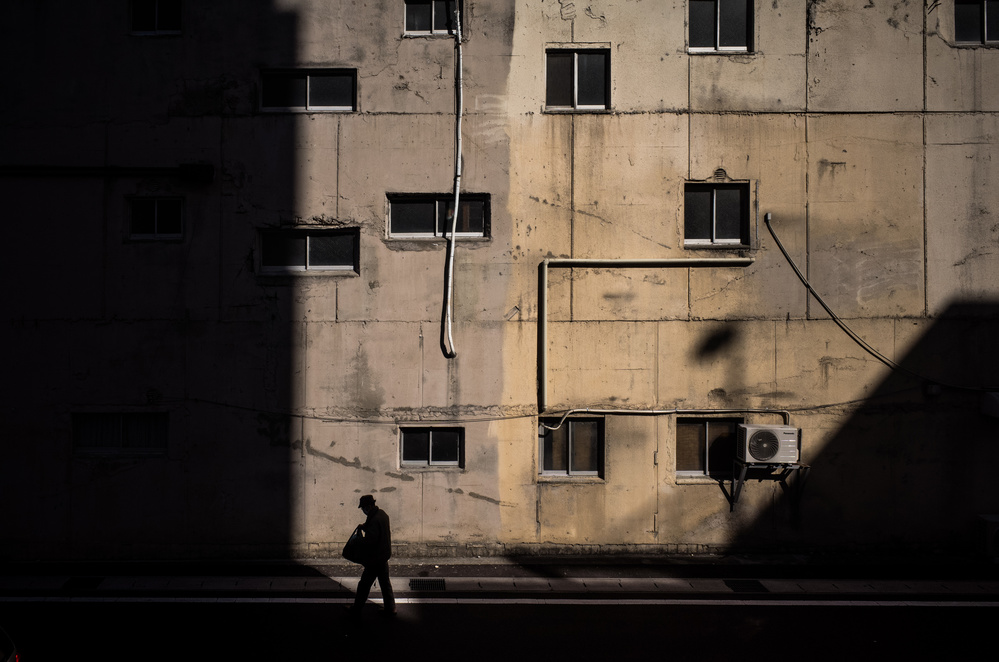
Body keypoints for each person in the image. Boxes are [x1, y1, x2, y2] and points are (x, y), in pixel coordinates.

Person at [347, 494, 396, 616]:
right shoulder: (382, 514)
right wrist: (364, 526)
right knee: (385, 584)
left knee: (364, 585)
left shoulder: (374, 519)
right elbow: (377, 530)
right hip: (383, 556)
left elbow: (370, 541)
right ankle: (390, 609)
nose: (363, 510)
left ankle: (356, 609)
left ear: (368, 506)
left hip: (375, 559)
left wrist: (356, 541)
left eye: (363, 508)